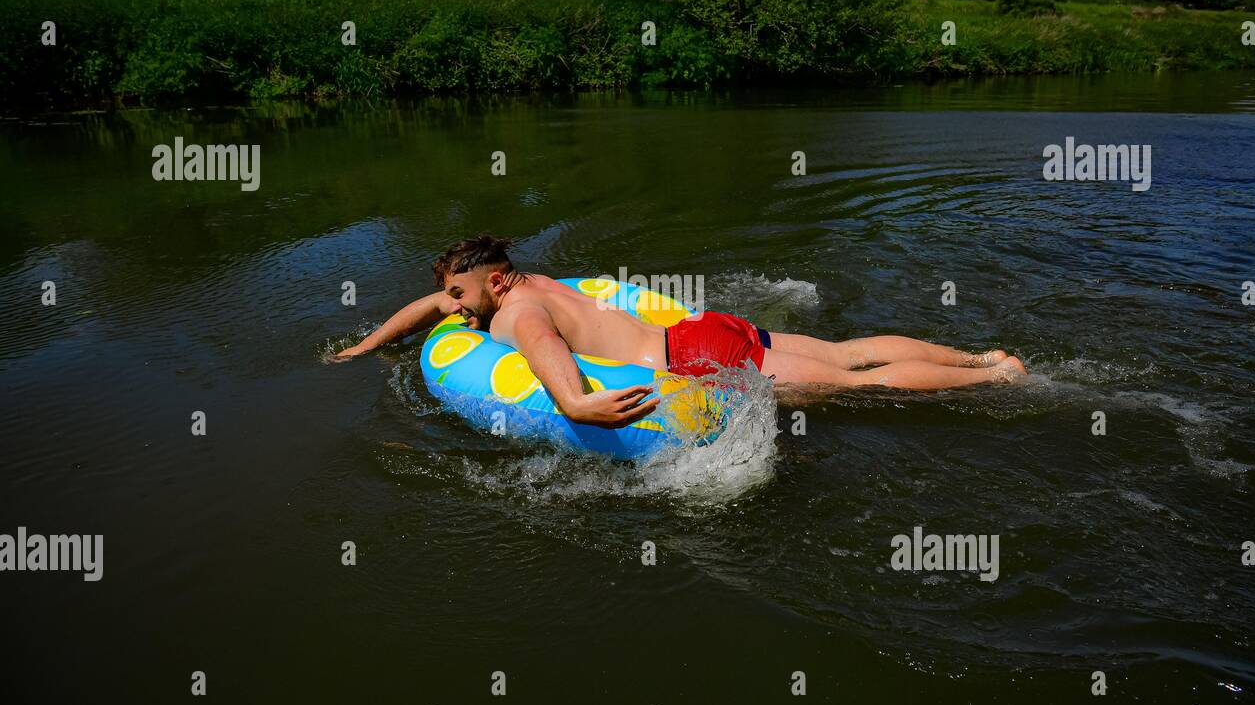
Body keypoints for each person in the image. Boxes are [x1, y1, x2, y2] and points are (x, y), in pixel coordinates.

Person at [332, 234, 1026, 428]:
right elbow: (429, 308)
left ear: (493, 283)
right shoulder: (542, 283)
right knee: (850, 351)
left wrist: (573, 402)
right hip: (710, 329)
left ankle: (996, 377)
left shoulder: (516, 314)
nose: (449, 308)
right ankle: (979, 353)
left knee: (853, 386)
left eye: (458, 295)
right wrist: (368, 345)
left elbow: (541, 346)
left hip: (695, 358)